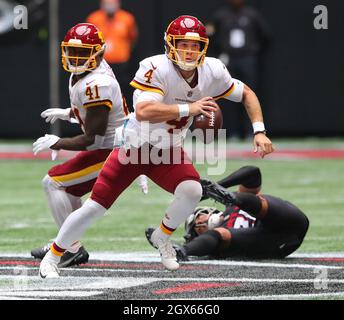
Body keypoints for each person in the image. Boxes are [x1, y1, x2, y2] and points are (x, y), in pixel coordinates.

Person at [38, 15, 274, 278]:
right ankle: (53, 256)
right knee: (95, 207)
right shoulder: (154, 67)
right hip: (134, 148)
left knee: (192, 190)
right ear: (169, 45)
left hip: (169, 149)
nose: (189, 51)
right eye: (182, 44)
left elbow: (246, 94)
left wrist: (259, 130)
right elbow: (143, 110)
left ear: (203, 48)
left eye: (194, 46)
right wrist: (190, 108)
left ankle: (163, 237)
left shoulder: (213, 70)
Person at [32, 22, 147, 268]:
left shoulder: (97, 83)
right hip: (111, 144)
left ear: (99, 53)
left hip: (114, 150)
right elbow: (97, 113)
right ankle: (66, 244)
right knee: (69, 189)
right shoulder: (88, 73)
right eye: (73, 51)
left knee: (52, 182)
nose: (76, 58)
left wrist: (58, 142)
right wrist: (69, 112)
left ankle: (69, 248)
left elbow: (92, 137)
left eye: (83, 52)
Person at [146, 166, 309, 260]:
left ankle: (225, 194)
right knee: (222, 234)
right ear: (198, 230)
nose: (201, 217)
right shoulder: (217, 240)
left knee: (257, 201)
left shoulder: (232, 208)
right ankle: (180, 251)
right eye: (196, 219)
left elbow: (253, 173)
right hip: (270, 241)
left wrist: (216, 187)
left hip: (288, 219)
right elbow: (216, 238)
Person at [206, 0, 272, 139]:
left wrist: (254, 51)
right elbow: (209, 34)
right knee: (229, 96)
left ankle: (250, 132)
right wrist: (220, 52)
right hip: (228, 59)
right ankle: (233, 132)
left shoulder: (252, 15)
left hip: (247, 58)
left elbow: (266, 35)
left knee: (249, 94)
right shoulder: (221, 15)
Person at [86, 0, 138, 109]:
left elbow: (132, 38)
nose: (110, 6)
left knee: (122, 93)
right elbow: (88, 40)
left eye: (112, 3)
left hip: (122, 65)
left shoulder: (127, 18)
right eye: (107, 3)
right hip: (101, 65)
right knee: (101, 93)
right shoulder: (94, 18)